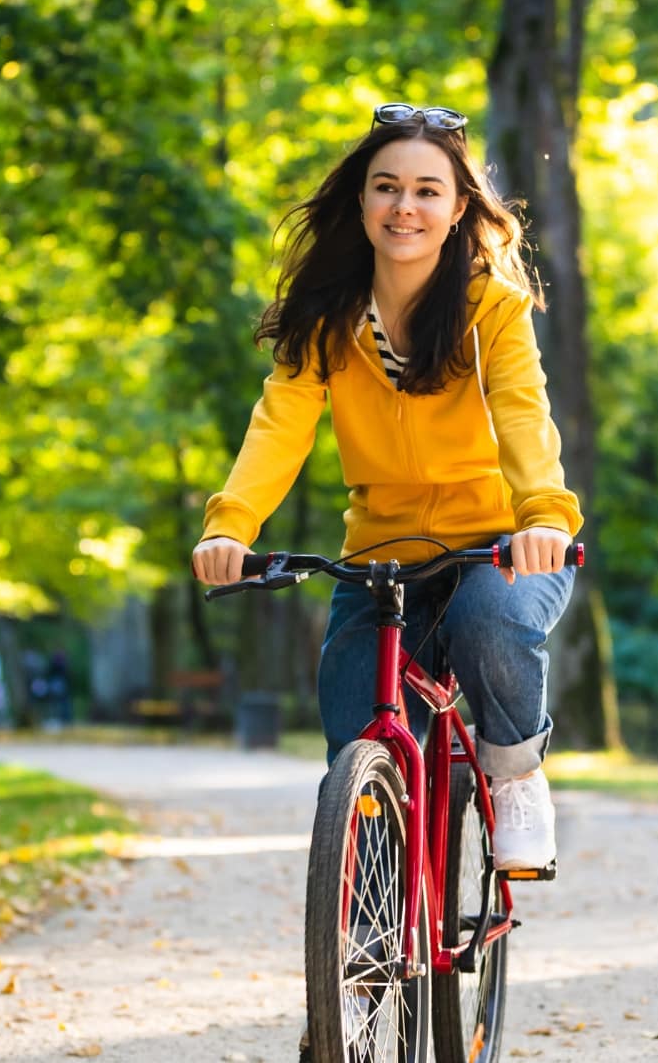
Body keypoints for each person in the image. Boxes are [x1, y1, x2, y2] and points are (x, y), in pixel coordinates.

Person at [191, 102, 580, 875]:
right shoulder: (325, 320)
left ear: (459, 206)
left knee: (487, 623)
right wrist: (229, 526)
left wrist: (540, 515)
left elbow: (522, 416)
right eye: (387, 187)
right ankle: (368, 914)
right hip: (382, 552)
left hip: (501, 548)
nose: (406, 206)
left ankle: (513, 773)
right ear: (362, 200)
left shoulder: (492, 310)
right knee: (354, 727)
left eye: (428, 191)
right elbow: (280, 425)